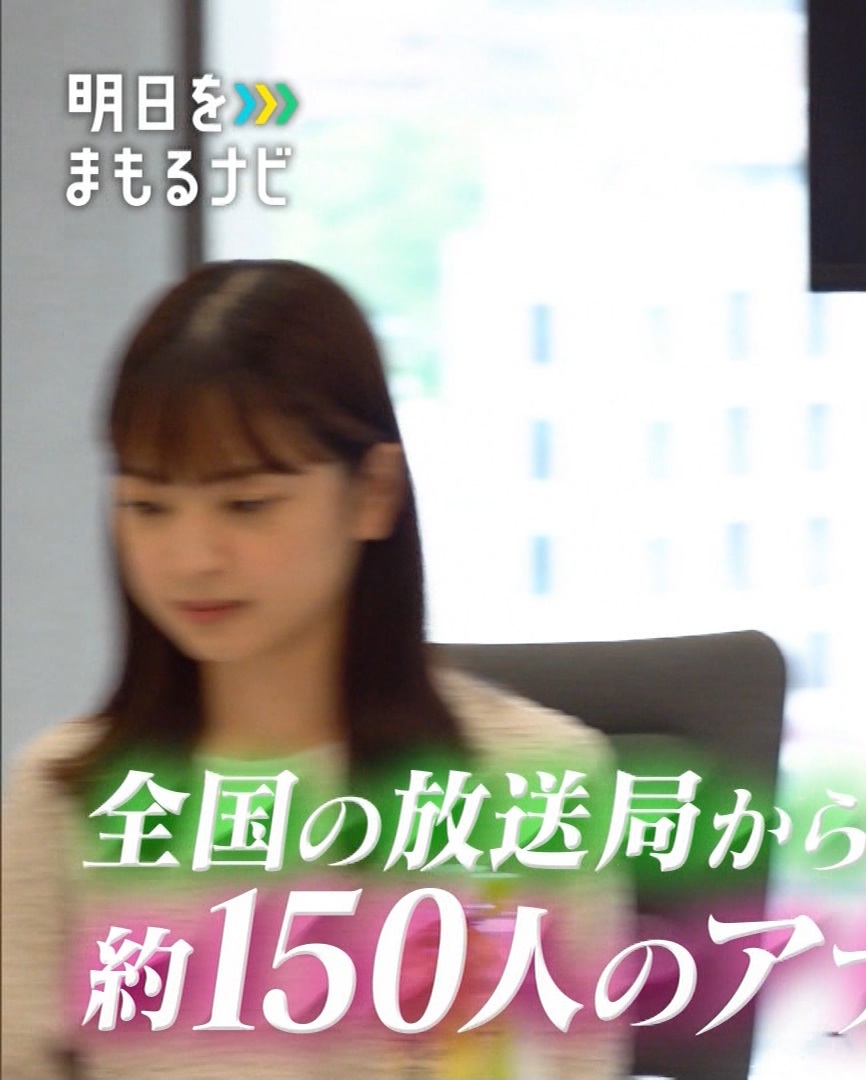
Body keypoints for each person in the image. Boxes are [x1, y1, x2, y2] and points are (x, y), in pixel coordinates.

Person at [0, 261, 631, 1078]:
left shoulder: (536, 782)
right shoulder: (65, 795)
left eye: (247, 505)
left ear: (372, 493)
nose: (190, 558)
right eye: (148, 507)